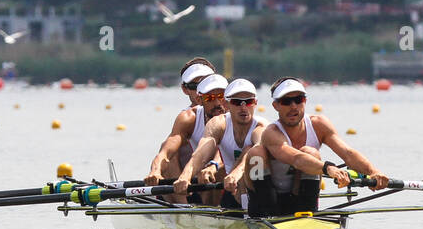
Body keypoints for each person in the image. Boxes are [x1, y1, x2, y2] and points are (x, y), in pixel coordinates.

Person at [239, 77, 389, 217]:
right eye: (286, 101)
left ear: (305, 101)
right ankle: (263, 216)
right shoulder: (271, 132)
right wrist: (329, 168)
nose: (293, 106)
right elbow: (297, 159)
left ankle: (307, 215)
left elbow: (348, 154)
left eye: (298, 100)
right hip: (266, 198)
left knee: (310, 152)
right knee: (256, 154)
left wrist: (373, 172)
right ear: (276, 105)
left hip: (297, 196)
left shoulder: (319, 124)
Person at [173, 77, 265, 208]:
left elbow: (258, 148)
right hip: (234, 190)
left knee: (250, 151)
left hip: (263, 185)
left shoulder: (261, 126)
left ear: (255, 103)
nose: (243, 107)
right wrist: (185, 177)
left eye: (248, 102)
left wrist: (236, 173)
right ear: (226, 104)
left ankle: (253, 215)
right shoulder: (218, 124)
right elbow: (200, 154)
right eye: (237, 102)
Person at [144, 58, 217, 185]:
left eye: (207, 84)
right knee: (171, 150)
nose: (202, 91)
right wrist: (155, 170)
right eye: (195, 86)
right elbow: (166, 150)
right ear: (185, 89)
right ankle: (181, 200)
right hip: (191, 182)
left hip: (223, 178)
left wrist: (214, 166)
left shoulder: (234, 109)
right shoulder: (187, 117)